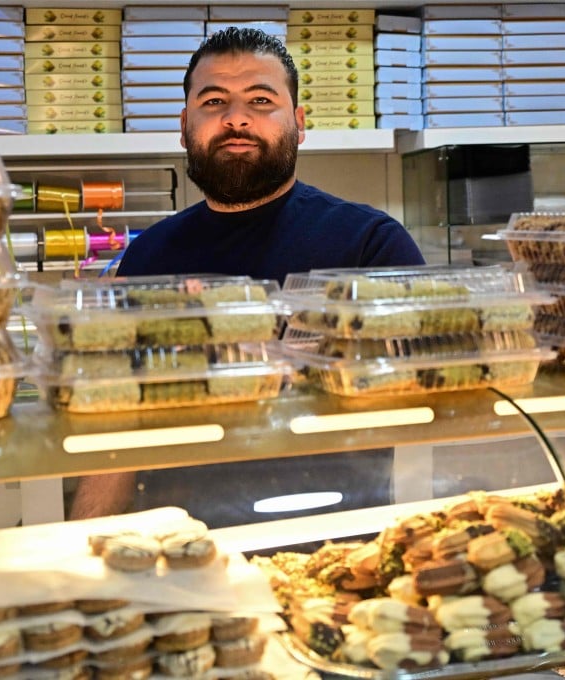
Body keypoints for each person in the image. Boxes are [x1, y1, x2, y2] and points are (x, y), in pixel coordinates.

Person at [68, 27, 426, 526]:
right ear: (184, 125)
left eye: (261, 100)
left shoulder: (370, 245)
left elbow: (432, 405)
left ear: (299, 123)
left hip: (337, 540)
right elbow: (119, 437)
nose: (236, 118)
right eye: (213, 101)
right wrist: (85, 544)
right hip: (181, 548)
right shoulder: (146, 259)